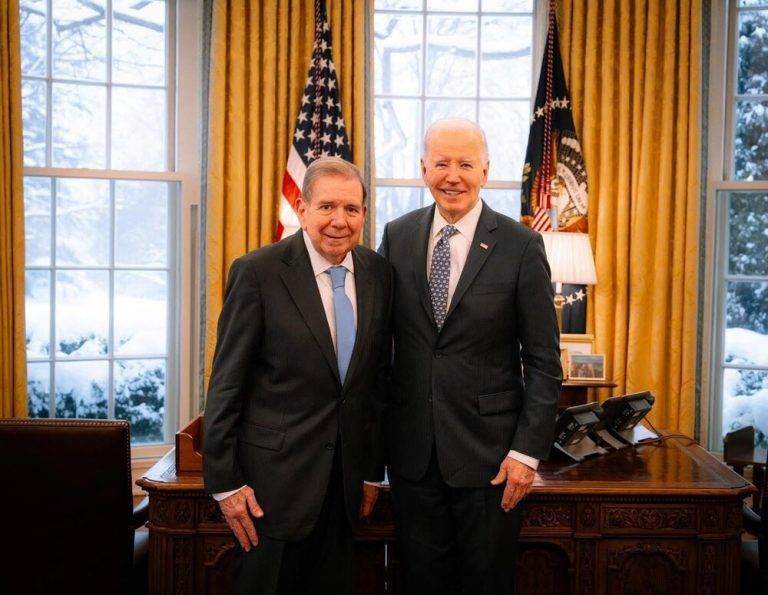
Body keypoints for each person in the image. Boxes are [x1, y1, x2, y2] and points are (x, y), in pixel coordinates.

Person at [378, 118, 562, 594]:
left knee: (486, 581)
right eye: (441, 163)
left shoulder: (522, 246)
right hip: (412, 456)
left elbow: (542, 359)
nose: (452, 175)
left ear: (486, 170)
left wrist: (526, 452)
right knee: (419, 580)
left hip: (492, 458)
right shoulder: (396, 236)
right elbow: (378, 349)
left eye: (465, 163)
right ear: (423, 169)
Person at [203, 157, 392, 595]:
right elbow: (226, 383)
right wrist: (225, 482)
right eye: (326, 207)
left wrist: (370, 472)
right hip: (271, 490)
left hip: (343, 491)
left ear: (364, 213)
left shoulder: (379, 274)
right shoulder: (258, 272)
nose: (339, 221)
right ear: (302, 208)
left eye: (351, 209)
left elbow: (375, 383)